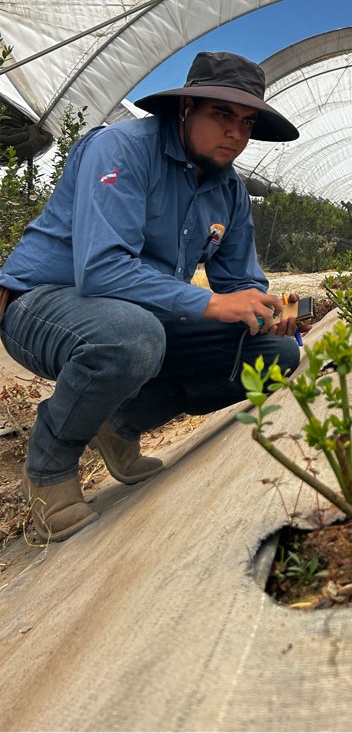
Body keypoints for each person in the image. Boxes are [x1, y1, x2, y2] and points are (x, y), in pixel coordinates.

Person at [0, 51, 309, 542]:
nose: (236, 133)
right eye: (222, 115)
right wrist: (209, 304)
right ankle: (49, 469)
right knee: (131, 337)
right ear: (185, 108)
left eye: (247, 122)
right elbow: (101, 269)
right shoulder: (120, 149)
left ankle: (122, 423)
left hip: (138, 315)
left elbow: (242, 284)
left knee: (276, 354)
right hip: (42, 304)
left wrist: (276, 313)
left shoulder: (228, 190)